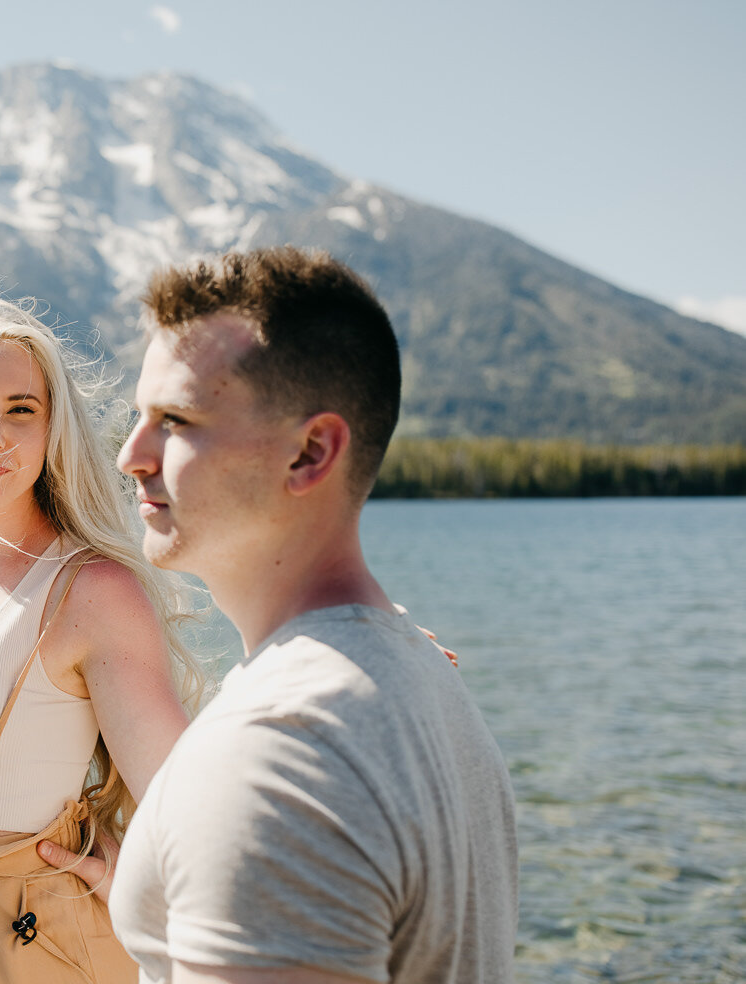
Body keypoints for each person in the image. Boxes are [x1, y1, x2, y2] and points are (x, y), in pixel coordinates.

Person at [41, 247, 518, 983]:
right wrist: (162, 889)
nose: (131, 455)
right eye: (140, 416)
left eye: (176, 419)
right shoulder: (419, 672)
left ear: (310, 452)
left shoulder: (275, 760)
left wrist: (219, 840)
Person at [0, 283, 210, 983]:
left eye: (20, 411)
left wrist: (132, 884)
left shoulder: (89, 593)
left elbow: (196, 811)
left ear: (51, 432)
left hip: (47, 950)